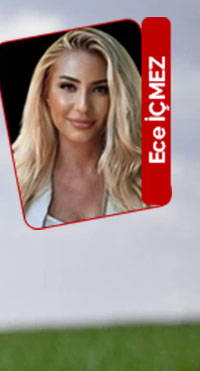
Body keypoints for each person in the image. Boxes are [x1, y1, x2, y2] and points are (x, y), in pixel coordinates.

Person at [12, 26, 143, 227]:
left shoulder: (155, 179)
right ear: (45, 91)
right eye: (68, 87)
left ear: (120, 97)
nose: (83, 106)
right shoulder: (9, 176)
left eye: (100, 90)